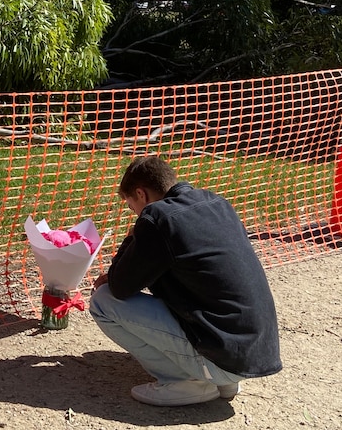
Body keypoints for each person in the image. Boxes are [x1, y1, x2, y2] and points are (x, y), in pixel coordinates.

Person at [89, 155, 281, 406]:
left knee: (103, 301)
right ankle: (220, 378)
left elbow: (119, 286)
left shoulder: (157, 217)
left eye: (130, 205)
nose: (133, 212)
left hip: (224, 354)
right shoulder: (216, 202)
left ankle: (185, 381)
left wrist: (133, 235)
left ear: (141, 194)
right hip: (251, 351)